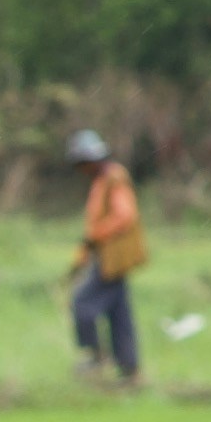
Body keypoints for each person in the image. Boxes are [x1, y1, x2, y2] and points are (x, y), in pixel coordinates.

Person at [62, 130, 149, 383]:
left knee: (82, 303)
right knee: (118, 313)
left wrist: (98, 235)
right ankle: (129, 369)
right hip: (108, 258)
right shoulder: (102, 180)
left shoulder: (113, 178)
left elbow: (125, 215)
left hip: (113, 259)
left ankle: (95, 357)